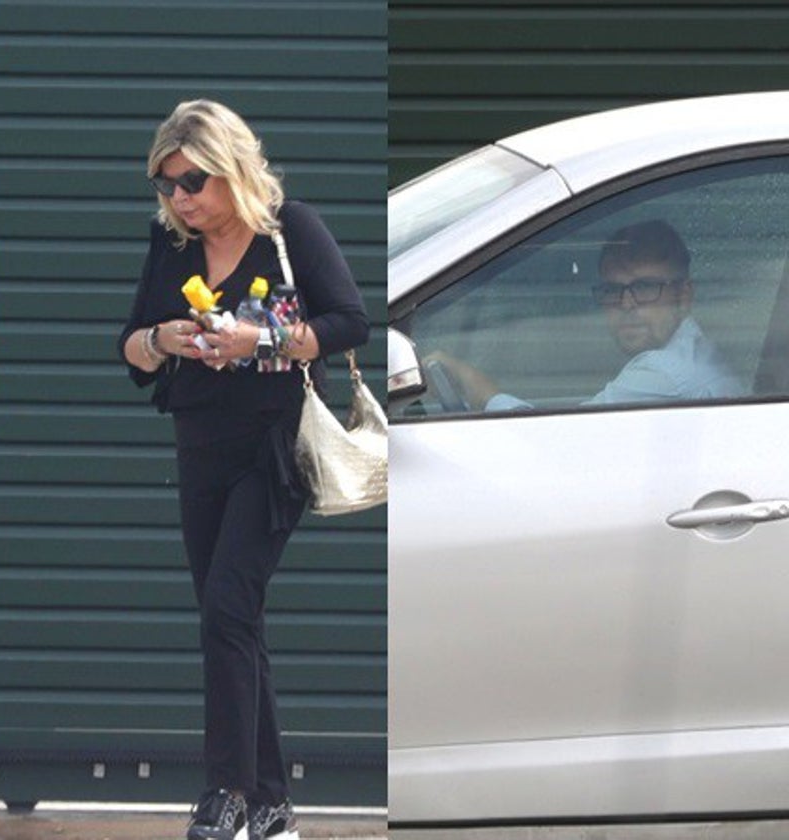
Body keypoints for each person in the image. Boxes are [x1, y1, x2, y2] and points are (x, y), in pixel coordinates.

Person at [118, 100, 369, 840]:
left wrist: (262, 339)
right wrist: (164, 338)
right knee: (234, 621)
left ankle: (224, 791)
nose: (181, 198)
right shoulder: (170, 248)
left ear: (231, 167)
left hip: (274, 444)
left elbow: (349, 321)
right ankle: (271, 805)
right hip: (199, 445)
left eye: (193, 180)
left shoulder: (291, 231)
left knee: (228, 607)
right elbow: (128, 349)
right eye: (167, 185)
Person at [430, 219, 744, 410]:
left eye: (646, 287)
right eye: (612, 290)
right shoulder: (695, 351)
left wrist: (475, 385)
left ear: (684, 295)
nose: (626, 304)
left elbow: (553, 442)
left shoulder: (666, 372)